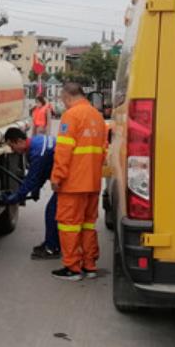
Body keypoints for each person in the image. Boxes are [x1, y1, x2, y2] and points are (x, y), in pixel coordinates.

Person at [50, 82, 107, 281]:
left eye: (62, 99)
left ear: (67, 96)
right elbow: (103, 150)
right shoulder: (97, 116)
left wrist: (57, 177)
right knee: (88, 225)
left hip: (73, 183)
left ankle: (72, 268)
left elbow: (63, 151)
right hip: (92, 182)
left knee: (69, 225)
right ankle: (89, 265)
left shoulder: (71, 115)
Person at [3, 127, 60, 260]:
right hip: (67, 176)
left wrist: (14, 198)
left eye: (12, 146)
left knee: (52, 211)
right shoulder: (36, 142)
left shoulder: (37, 152)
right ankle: (51, 243)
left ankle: (52, 248)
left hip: (70, 179)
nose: (12, 150)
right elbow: (41, 173)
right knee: (53, 211)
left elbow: (32, 179)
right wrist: (35, 190)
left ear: (19, 141)